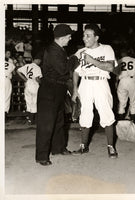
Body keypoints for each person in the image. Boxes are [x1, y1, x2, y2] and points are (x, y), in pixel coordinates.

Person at [71, 24, 118, 158]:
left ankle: (111, 146)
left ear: (96, 37)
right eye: (84, 35)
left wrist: (91, 60)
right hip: (85, 83)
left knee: (106, 112)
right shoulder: (80, 52)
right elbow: (75, 72)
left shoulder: (106, 48)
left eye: (88, 35)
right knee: (85, 113)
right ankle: (83, 146)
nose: (84, 38)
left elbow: (110, 67)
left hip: (100, 82)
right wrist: (75, 89)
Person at [36, 24, 77, 166]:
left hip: (58, 88)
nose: (70, 38)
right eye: (69, 36)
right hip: (49, 88)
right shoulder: (53, 50)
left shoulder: (59, 49)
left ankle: (58, 148)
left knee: (59, 121)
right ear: (62, 37)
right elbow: (63, 70)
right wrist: (75, 58)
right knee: (46, 123)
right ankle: (42, 156)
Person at [116, 49, 135, 122]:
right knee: (133, 102)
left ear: (121, 53)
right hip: (132, 79)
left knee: (122, 102)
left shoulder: (119, 61)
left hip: (122, 80)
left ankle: (121, 122)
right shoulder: (134, 60)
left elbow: (116, 74)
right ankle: (132, 122)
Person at [17, 57, 42, 125]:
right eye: (39, 60)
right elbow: (37, 79)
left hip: (28, 84)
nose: (40, 62)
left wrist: (25, 79)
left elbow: (18, 71)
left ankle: (29, 120)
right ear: (36, 59)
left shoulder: (27, 65)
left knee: (28, 102)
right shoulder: (37, 67)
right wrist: (41, 83)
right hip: (34, 84)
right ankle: (34, 120)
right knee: (35, 102)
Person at [5, 49, 15, 118]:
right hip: (6, 80)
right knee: (6, 96)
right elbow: (14, 73)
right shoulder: (10, 63)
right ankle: (4, 113)